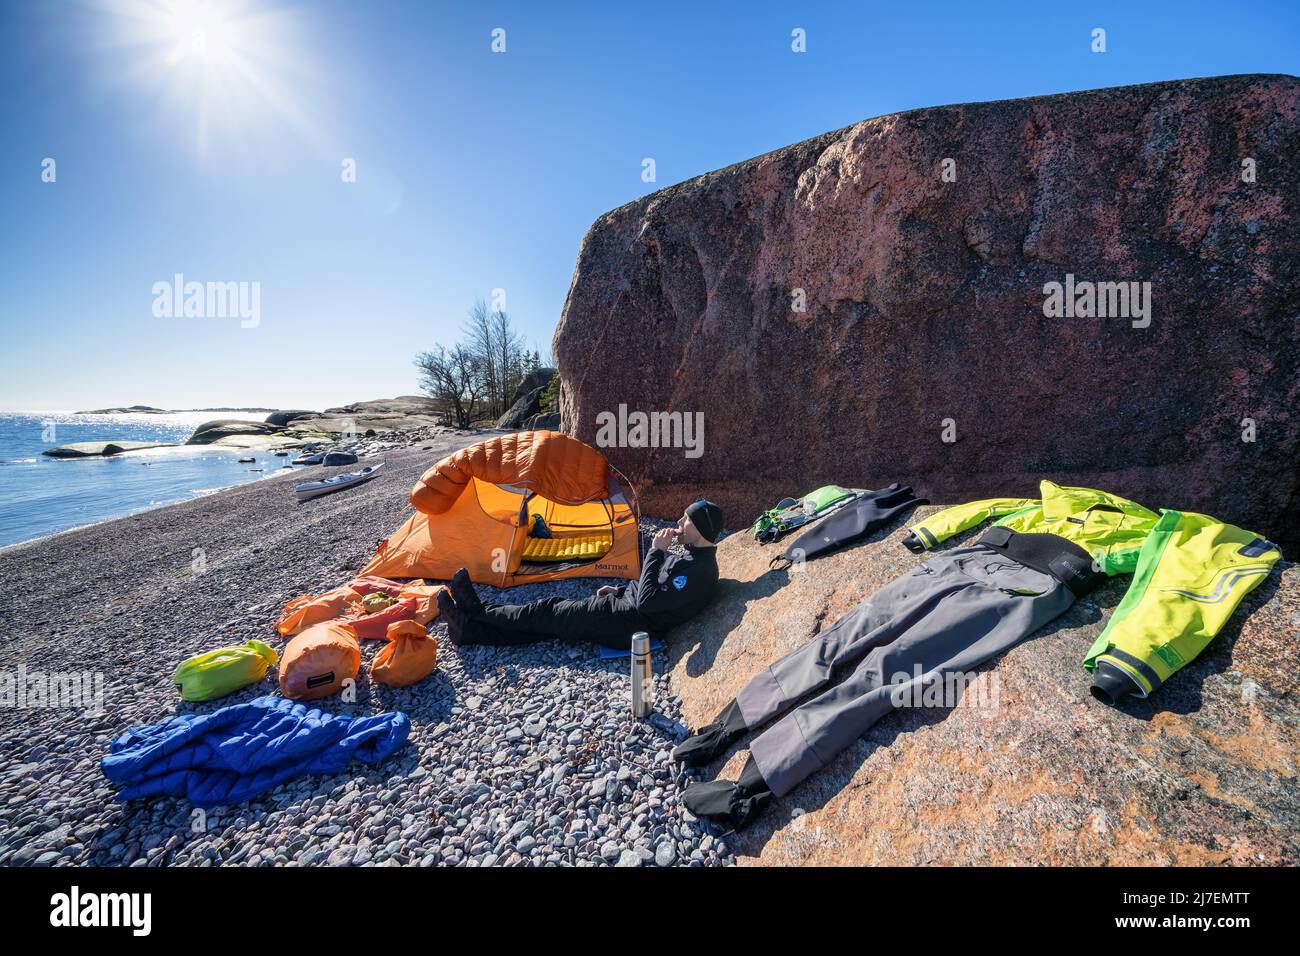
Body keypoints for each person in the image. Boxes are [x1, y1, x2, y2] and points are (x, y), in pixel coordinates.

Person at [437, 499, 723, 650]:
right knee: (550, 627)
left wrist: (655, 551)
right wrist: (620, 591)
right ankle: (470, 630)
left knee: (547, 611)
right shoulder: (693, 557)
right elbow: (655, 591)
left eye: (687, 519)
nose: (679, 522)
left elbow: (648, 603)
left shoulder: (701, 572)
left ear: (701, 528)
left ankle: (478, 610)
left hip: (622, 623)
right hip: (620, 608)